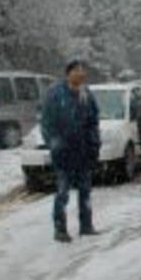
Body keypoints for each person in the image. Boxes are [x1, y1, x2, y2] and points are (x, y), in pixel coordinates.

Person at [41, 60, 101, 243]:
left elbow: (93, 122)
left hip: (82, 151)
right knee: (63, 191)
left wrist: (94, 144)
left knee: (85, 190)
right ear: (68, 73)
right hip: (64, 153)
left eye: (83, 70)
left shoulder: (86, 94)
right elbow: (46, 122)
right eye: (76, 70)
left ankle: (86, 225)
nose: (80, 74)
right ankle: (60, 229)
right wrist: (54, 143)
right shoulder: (56, 94)